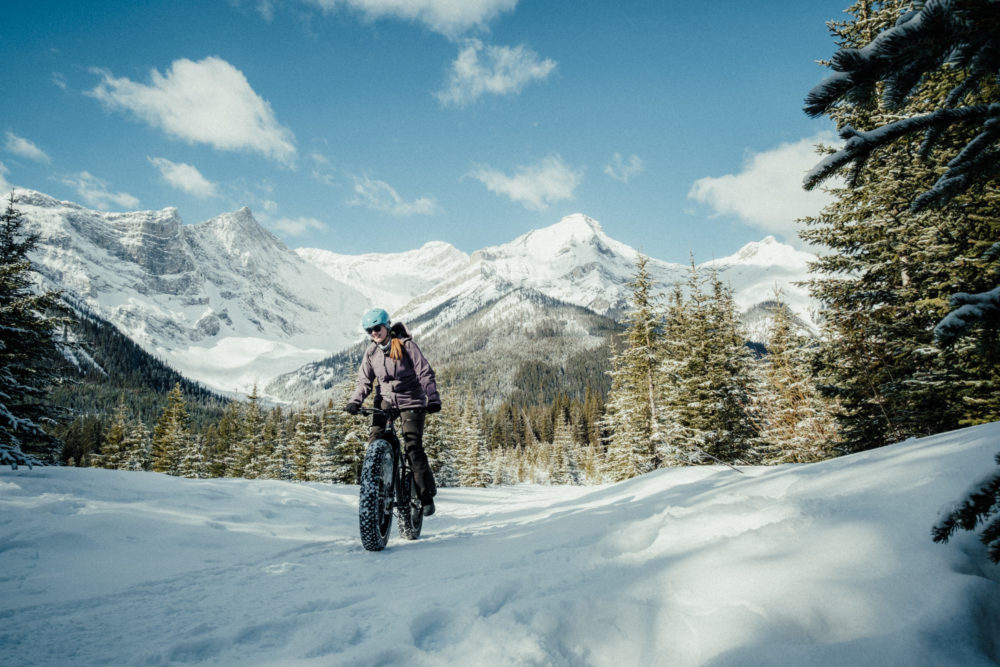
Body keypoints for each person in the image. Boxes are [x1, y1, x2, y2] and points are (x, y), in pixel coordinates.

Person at [344, 308, 441, 515]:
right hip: (385, 399)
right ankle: (375, 489)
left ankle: (425, 496)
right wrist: (355, 401)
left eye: (377, 328)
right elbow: (364, 381)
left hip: (411, 399)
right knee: (375, 442)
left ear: (387, 326)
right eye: (369, 331)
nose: (373, 333)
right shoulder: (371, 353)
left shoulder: (407, 346)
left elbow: (424, 373)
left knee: (413, 446)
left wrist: (432, 398)